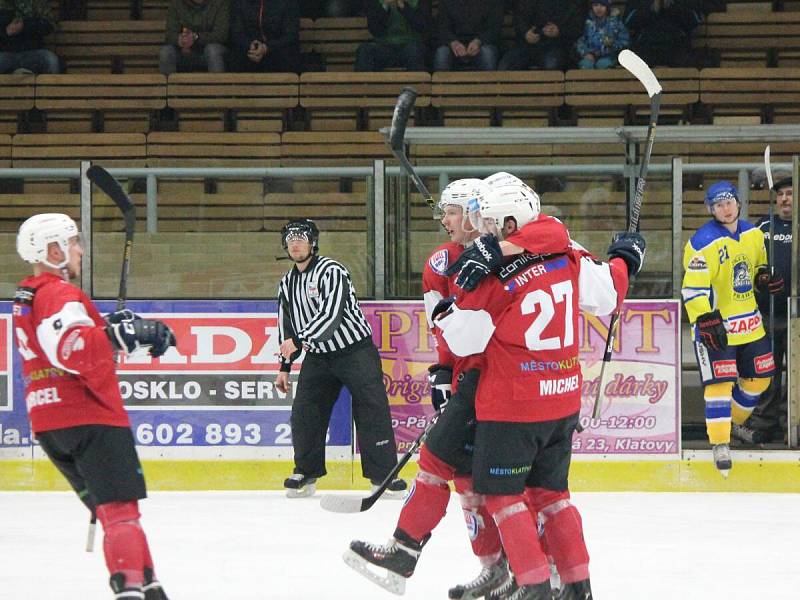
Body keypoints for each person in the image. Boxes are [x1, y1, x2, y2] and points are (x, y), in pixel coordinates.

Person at [345, 175, 585, 600]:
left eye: (454, 212)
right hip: (473, 380)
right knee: (465, 477)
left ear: (481, 213)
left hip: (494, 383)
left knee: (478, 476)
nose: (447, 221)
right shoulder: (444, 260)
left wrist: (496, 254)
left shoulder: (524, 245)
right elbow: (441, 328)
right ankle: (498, 569)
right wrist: (441, 370)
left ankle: (509, 569)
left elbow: (555, 232)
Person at [434, 181, 642, 600]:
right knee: (553, 495)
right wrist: (624, 259)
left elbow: (463, 342)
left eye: (492, 224)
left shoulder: (494, 270)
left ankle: (534, 587)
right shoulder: (567, 252)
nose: (486, 232)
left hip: (513, 404)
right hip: (562, 399)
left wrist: (446, 312)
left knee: (502, 496)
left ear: (510, 221)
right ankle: (577, 586)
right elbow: (607, 292)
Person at [12, 214, 176, 600]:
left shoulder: (30, 293)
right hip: (90, 417)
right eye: (73, 242)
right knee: (121, 512)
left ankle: (149, 587)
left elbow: (69, 342)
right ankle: (131, 589)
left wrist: (110, 330)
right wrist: (120, 334)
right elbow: (72, 349)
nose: (80, 250)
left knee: (113, 513)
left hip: (51, 424)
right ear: (53, 251)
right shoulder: (57, 293)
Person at [276, 218, 406, 498]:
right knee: (304, 412)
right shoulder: (287, 283)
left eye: (301, 238)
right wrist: (284, 366)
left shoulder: (332, 271)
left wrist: (299, 340)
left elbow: (331, 315)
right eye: (290, 240)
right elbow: (286, 327)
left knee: (372, 409)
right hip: (319, 356)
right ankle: (305, 472)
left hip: (354, 351)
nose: (295, 243)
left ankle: (383, 476)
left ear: (313, 242)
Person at [681, 181, 781, 475]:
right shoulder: (701, 243)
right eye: (718, 205)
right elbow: (693, 289)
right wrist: (705, 319)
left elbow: (757, 267)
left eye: (729, 203)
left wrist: (763, 278)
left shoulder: (753, 234)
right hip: (717, 326)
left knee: (760, 380)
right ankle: (720, 442)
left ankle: (731, 421)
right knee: (720, 385)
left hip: (749, 322)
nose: (725, 209)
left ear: (738, 203)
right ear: (711, 210)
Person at [747, 175, 794, 443]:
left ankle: (794, 421)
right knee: (767, 370)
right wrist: (762, 279)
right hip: (769, 313)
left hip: (797, 314)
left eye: (790, 193)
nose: (785, 198)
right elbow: (752, 265)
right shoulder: (763, 227)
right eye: (781, 194)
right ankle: (764, 421)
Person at [498, 0, 584, 71]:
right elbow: (519, 18)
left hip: (555, 45)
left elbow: (576, 27)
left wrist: (559, 31)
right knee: (505, 67)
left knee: (552, 65)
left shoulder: (570, 3)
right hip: (526, 46)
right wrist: (526, 33)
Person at [354, 0, 431, 72]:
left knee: (414, 51)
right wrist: (385, 6)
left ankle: (416, 85)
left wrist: (403, 6)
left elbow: (424, 27)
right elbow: (374, 30)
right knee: (365, 50)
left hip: (412, 44)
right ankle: (363, 86)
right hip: (384, 47)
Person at [624, 0, 704, 68]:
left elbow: (695, 20)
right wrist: (650, 9)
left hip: (677, 47)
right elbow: (628, 21)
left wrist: (673, 7)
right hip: (647, 47)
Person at [228, 0, 300, 74]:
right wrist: (250, 45)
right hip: (249, 51)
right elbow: (236, 32)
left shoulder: (288, 2)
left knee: (286, 55)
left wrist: (266, 48)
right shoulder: (240, 2)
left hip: (277, 51)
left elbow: (290, 35)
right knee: (235, 56)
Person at [159, 0, 229, 75]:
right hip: (183, 53)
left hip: (208, 52)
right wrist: (180, 40)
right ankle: (168, 85)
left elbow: (221, 35)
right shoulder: (176, 3)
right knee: (166, 52)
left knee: (213, 50)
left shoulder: (220, 3)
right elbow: (169, 34)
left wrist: (196, 37)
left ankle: (218, 85)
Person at [433, 0, 503, 72]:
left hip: (482, 44)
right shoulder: (447, 2)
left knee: (488, 54)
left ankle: (489, 83)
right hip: (453, 47)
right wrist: (453, 42)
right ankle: (442, 83)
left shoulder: (492, 2)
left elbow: (494, 28)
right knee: (442, 54)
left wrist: (479, 41)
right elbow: (442, 28)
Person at [0, 0, 60, 74]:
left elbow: (49, 26)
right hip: (5, 53)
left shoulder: (37, 2)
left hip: (33, 52)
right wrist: (6, 32)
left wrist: (25, 25)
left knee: (52, 61)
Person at [575, 0, 629, 70]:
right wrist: (585, 53)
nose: (598, 8)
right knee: (586, 65)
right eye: (595, 5)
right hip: (589, 56)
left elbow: (625, 42)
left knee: (603, 64)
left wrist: (612, 44)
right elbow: (580, 41)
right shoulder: (586, 24)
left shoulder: (616, 23)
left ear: (607, 7)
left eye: (602, 5)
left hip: (610, 57)